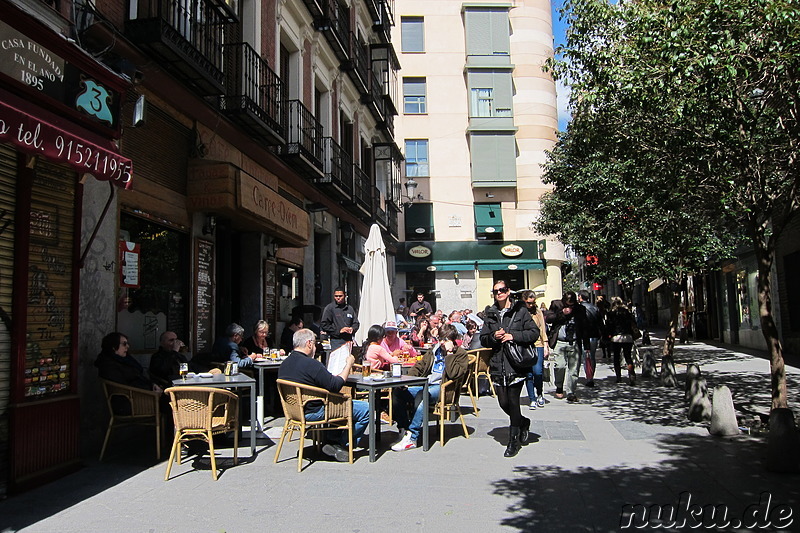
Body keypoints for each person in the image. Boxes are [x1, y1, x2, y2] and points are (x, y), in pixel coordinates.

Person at [277, 328, 370, 462]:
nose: (315, 347)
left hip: (294, 411)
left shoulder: (284, 364)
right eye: (314, 344)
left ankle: (332, 440)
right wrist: (348, 365)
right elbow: (335, 385)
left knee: (338, 401)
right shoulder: (311, 364)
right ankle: (342, 445)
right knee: (364, 409)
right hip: (316, 411)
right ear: (309, 344)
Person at [479, 280, 537, 458]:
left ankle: (513, 442)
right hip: (498, 364)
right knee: (503, 403)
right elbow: (483, 338)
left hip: (516, 363)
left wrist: (514, 336)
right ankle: (523, 421)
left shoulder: (520, 310)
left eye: (502, 290)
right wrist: (494, 336)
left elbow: (534, 332)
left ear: (508, 291)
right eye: (496, 291)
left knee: (513, 401)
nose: (499, 293)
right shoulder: (491, 313)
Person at [392, 323, 468, 451]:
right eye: (441, 339)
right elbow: (420, 366)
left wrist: (449, 354)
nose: (442, 342)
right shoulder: (435, 350)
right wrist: (407, 380)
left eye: (445, 340)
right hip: (426, 384)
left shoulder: (460, 354)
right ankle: (404, 429)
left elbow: (454, 374)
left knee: (423, 396)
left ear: (452, 340)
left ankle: (412, 437)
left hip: (443, 388)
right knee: (398, 392)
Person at [95, 332, 165, 415]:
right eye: (124, 344)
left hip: (141, 396)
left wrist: (153, 385)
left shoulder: (124, 360)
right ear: (114, 347)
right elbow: (125, 385)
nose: (127, 346)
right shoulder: (108, 365)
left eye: (127, 343)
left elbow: (138, 375)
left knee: (170, 398)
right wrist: (151, 390)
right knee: (171, 402)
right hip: (131, 402)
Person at [545, 292, 590, 403]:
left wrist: (587, 345)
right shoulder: (556, 305)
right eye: (567, 304)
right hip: (560, 341)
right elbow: (548, 318)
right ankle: (559, 386)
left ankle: (571, 392)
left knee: (574, 369)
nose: (569, 307)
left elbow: (585, 327)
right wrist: (562, 313)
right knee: (559, 366)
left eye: (572, 304)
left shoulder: (580, 309)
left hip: (574, 342)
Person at [520, 291, 548, 410]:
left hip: (538, 344)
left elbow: (542, 328)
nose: (531, 305)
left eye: (533, 303)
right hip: (525, 345)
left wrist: (546, 344)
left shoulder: (538, 312)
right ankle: (532, 398)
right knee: (528, 373)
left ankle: (540, 393)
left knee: (538, 372)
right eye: (528, 303)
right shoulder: (520, 312)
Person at [607, 297, 637, 385]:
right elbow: (633, 323)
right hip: (628, 337)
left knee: (616, 357)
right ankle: (632, 375)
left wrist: (608, 336)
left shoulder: (611, 313)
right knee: (628, 357)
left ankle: (618, 377)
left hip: (616, 338)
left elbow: (609, 326)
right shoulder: (627, 312)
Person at [578, 290, 601, 387]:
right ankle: (591, 376)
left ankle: (588, 376)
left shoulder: (578, 309)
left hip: (583, 336)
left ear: (580, 297)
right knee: (592, 356)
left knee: (585, 357)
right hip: (594, 335)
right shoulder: (595, 308)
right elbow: (600, 322)